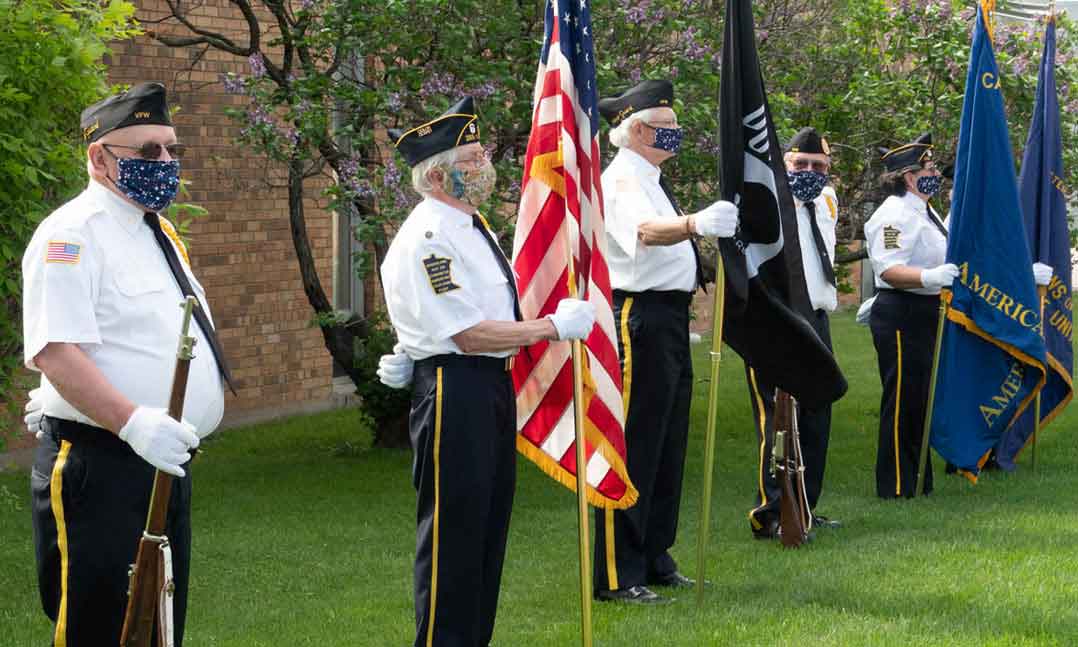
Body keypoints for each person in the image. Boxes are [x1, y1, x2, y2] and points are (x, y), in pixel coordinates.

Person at [379, 97, 596, 647]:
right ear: (437, 173)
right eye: (472, 159)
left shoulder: (468, 226)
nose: (484, 166)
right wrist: (550, 328)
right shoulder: (431, 235)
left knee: (486, 530)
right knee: (455, 536)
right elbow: (468, 333)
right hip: (457, 388)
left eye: (479, 155)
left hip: (486, 387)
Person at [22, 82, 231, 646]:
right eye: (146, 151)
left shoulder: (155, 230)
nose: (164, 162)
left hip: (163, 462)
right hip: (103, 465)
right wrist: (131, 420)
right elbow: (54, 349)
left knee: (155, 626)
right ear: (99, 157)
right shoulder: (71, 235)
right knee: (101, 628)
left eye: (170, 149)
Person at [591, 79, 739, 604]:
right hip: (640, 318)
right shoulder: (622, 179)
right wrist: (696, 222)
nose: (675, 135)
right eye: (666, 127)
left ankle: (654, 554)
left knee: (668, 441)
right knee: (633, 442)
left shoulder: (650, 175)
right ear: (634, 130)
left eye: (676, 127)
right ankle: (615, 570)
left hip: (670, 319)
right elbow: (647, 233)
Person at [747, 127, 841, 539]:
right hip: (779, 321)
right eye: (800, 164)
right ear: (784, 164)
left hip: (817, 318)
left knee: (818, 413)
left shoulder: (827, 200)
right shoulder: (767, 203)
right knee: (779, 419)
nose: (809, 171)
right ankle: (773, 510)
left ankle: (805, 506)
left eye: (818, 166)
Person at [865, 133, 955, 498]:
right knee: (903, 397)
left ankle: (919, 481)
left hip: (925, 310)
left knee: (920, 398)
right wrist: (929, 277)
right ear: (909, 176)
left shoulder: (925, 210)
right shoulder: (893, 215)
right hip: (902, 312)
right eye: (929, 168)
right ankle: (897, 485)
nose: (935, 173)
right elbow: (888, 269)